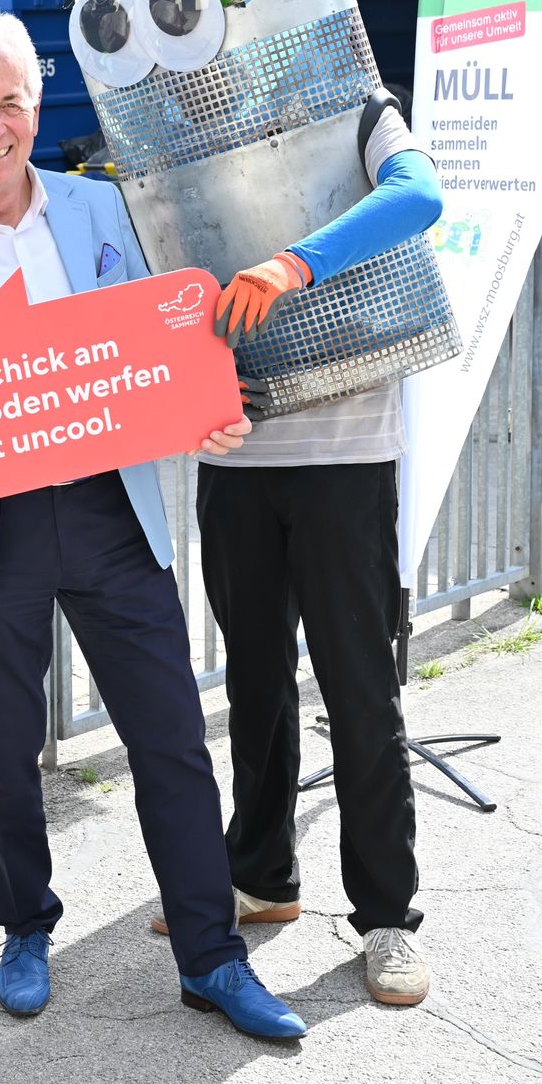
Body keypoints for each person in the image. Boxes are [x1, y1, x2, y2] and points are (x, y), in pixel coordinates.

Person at [0, 12, 306, 1042]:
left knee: (173, 739)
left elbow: (161, 342)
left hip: (109, 507)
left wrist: (209, 406)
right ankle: (24, 926)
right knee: (7, 749)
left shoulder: (105, 209)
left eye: (10, 100)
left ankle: (212, 956)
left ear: (34, 104)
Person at [150, 90, 441, 1007]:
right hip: (235, 451)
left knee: (358, 682)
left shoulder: (351, 104)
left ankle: (387, 915)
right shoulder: (173, 130)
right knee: (255, 680)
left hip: (344, 453)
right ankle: (262, 874)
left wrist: (292, 265)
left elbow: (418, 193)